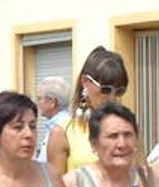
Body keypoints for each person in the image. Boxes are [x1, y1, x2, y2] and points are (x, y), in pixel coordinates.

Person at [46, 48, 127, 179]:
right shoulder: (62, 133)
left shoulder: (127, 129)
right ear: (85, 82)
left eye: (119, 91)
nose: (112, 98)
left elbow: (145, 180)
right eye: (105, 89)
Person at [35, 76, 70, 160]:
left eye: (39, 98)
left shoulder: (59, 128)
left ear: (52, 102)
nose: (37, 103)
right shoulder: (61, 123)